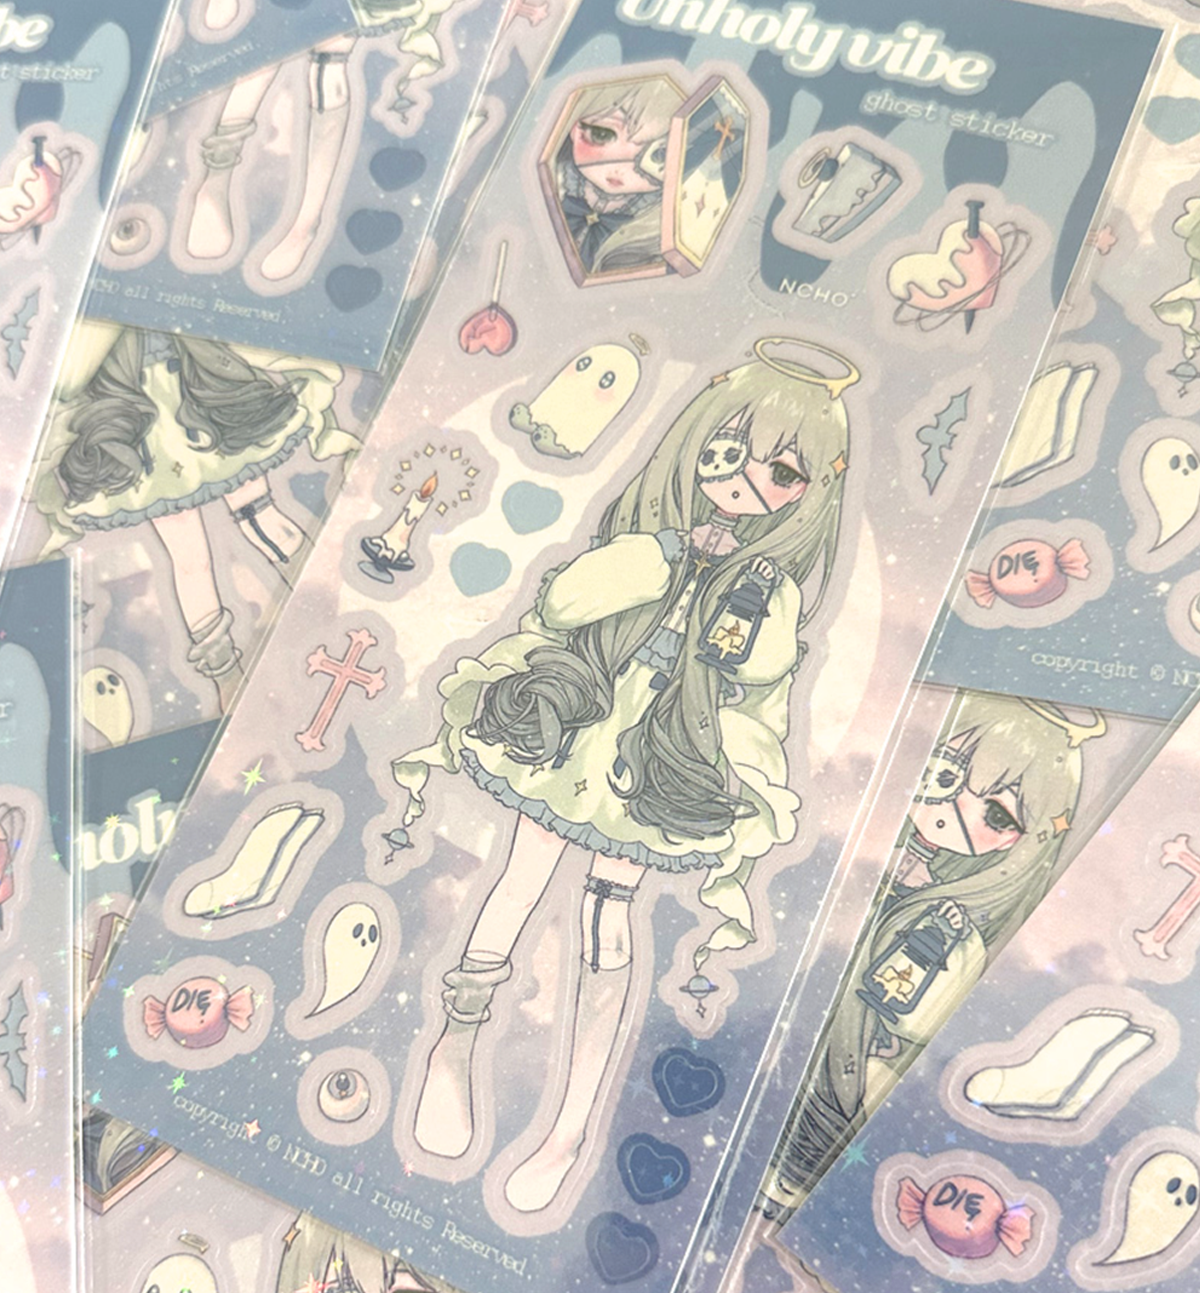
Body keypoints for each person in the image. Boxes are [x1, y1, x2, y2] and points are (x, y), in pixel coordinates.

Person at [393, 337, 858, 1212]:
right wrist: (669, 554)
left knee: (608, 917)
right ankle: (452, 1050)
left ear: (811, 490)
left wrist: (739, 588)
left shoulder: (772, 590)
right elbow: (563, 601)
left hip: (664, 755)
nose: (745, 482)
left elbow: (760, 667)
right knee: (519, 880)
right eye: (727, 451)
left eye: (780, 473)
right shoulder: (645, 540)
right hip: (577, 719)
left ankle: (569, 1124)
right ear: (694, 443)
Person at [754, 690, 1106, 1227]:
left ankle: (784, 1189)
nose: (950, 813)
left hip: (847, 1084)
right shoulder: (865, 852)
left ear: (1025, 841)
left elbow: (910, 1019)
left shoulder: (955, 929)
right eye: (945, 776)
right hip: (774, 1050)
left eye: (995, 813)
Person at [31, 320, 355, 710]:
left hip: (204, 395)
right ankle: (225, 673)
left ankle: (334, 608)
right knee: (191, 558)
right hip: (143, 428)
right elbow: (69, 376)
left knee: (258, 514)